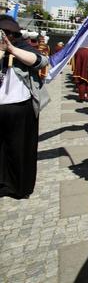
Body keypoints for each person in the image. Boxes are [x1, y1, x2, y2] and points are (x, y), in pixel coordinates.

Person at [0, 16, 48, 199]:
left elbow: (40, 61)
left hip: (20, 106)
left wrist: (12, 50)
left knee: (19, 150)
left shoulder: (21, 47)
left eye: (10, 33)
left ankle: (20, 186)